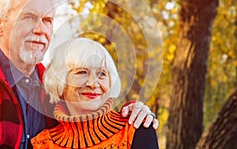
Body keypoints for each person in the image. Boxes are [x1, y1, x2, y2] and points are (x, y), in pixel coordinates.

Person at [0, 0, 157, 149]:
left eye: (48, 21)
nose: (40, 30)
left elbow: (91, 121)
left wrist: (135, 111)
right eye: (29, 18)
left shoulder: (55, 92)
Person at [31, 37, 159, 148]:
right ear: (60, 81)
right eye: (82, 72)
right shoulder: (42, 144)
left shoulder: (137, 131)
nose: (93, 83)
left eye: (102, 74)